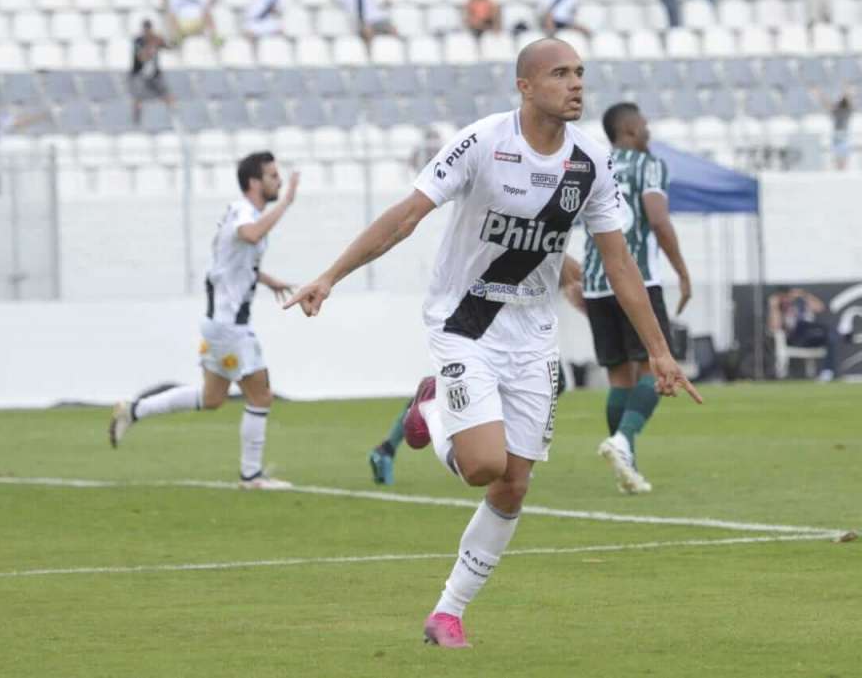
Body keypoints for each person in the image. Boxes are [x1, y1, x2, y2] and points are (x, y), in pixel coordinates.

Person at [285, 38, 701, 648]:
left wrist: (660, 351)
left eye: (581, 74)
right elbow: (406, 217)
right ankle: (430, 406)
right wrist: (330, 274)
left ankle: (448, 612)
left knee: (514, 485)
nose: (577, 84)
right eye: (560, 74)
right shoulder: (483, 142)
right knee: (483, 465)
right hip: (465, 320)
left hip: (533, 335)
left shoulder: (591, 162)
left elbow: (619, 265)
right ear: (526, 86)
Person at [109, 153, 300, 489]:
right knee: (261, 397)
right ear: (254, 182)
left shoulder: (242, 213)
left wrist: (270, 282)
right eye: (272, 176)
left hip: (218, 325)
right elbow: (251, 235)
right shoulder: (244, 213)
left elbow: (234, 262)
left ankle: (133, 409)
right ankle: (251, 476)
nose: (279, 181)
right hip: (231, 329)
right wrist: (286, 203)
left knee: (212, 399)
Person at [368, 256, 583, 485]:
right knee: (452, 391)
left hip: (521, 329)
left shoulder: (548, 244)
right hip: (485, 323)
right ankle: (392, 443)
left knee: (457, 389)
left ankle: (390, 445)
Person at [582, 102, 691, 495]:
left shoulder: (593, 164)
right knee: (652, 370)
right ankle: (624, 441)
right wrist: (680, 269)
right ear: (628, 128)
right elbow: (657, 219)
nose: (648, 129)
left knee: (618, 376)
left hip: (595, 284)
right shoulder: (649, 164)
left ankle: (625, 467)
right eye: (643, 123)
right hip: (636, 279)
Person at [767, 287, 840, 381]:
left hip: (811, 335)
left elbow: (820, 307)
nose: (788, 299)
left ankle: (828, 371)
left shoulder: (801, 304)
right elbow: (774, 327)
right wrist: (774, 306)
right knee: (804, 325)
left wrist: (804, 295)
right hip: (796, 338)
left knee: (831, 335)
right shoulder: (781, 309)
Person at [129, 20, 174, 126]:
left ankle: (172, 117)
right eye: (146, 30)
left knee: (167, 94)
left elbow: (168, 47)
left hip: (155, 74)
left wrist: (163, 42)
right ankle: (136, 121)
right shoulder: (138, 41)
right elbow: (141, 57)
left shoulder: (156, 39)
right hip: (140, 74)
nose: (147, 32)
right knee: (138, 97)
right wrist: (151, 46)